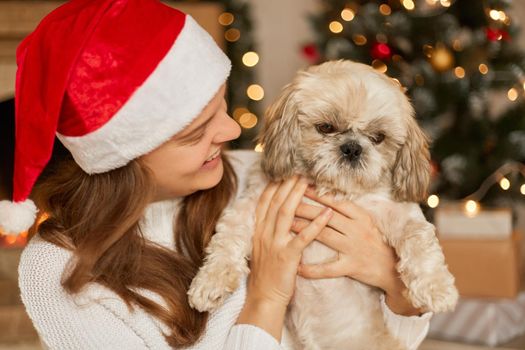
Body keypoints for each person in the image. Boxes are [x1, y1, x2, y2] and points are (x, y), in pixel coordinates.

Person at [0, 0, 432, 348]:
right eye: (195, 132)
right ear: (124, 157)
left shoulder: (254, 175)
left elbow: (393, 336)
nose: (232, 130)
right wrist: (266, 295)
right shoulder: (57, 276)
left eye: (222, 106)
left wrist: (393, 282)